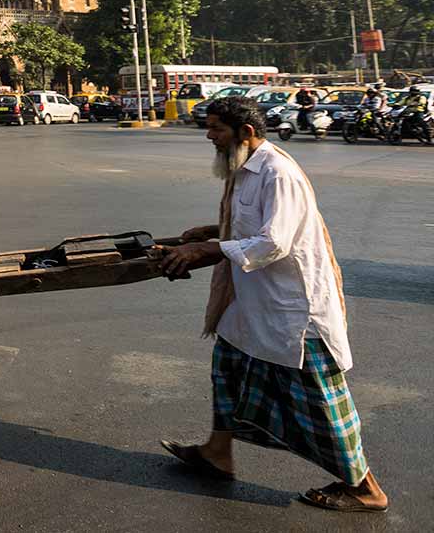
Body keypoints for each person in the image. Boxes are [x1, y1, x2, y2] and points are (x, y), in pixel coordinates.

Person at [157, 96, 389, 512]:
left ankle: (365, 487)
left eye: (217, 129)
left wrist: (209, 249)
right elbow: (254, 224)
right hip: (251, 304)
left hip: (293, 314)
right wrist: (212, 231)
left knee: (321, 402)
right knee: (226, 371)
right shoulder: (243, 168)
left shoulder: (279, 173)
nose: (209, 136)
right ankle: (217, 452)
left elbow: (275, 242)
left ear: (245, 133)